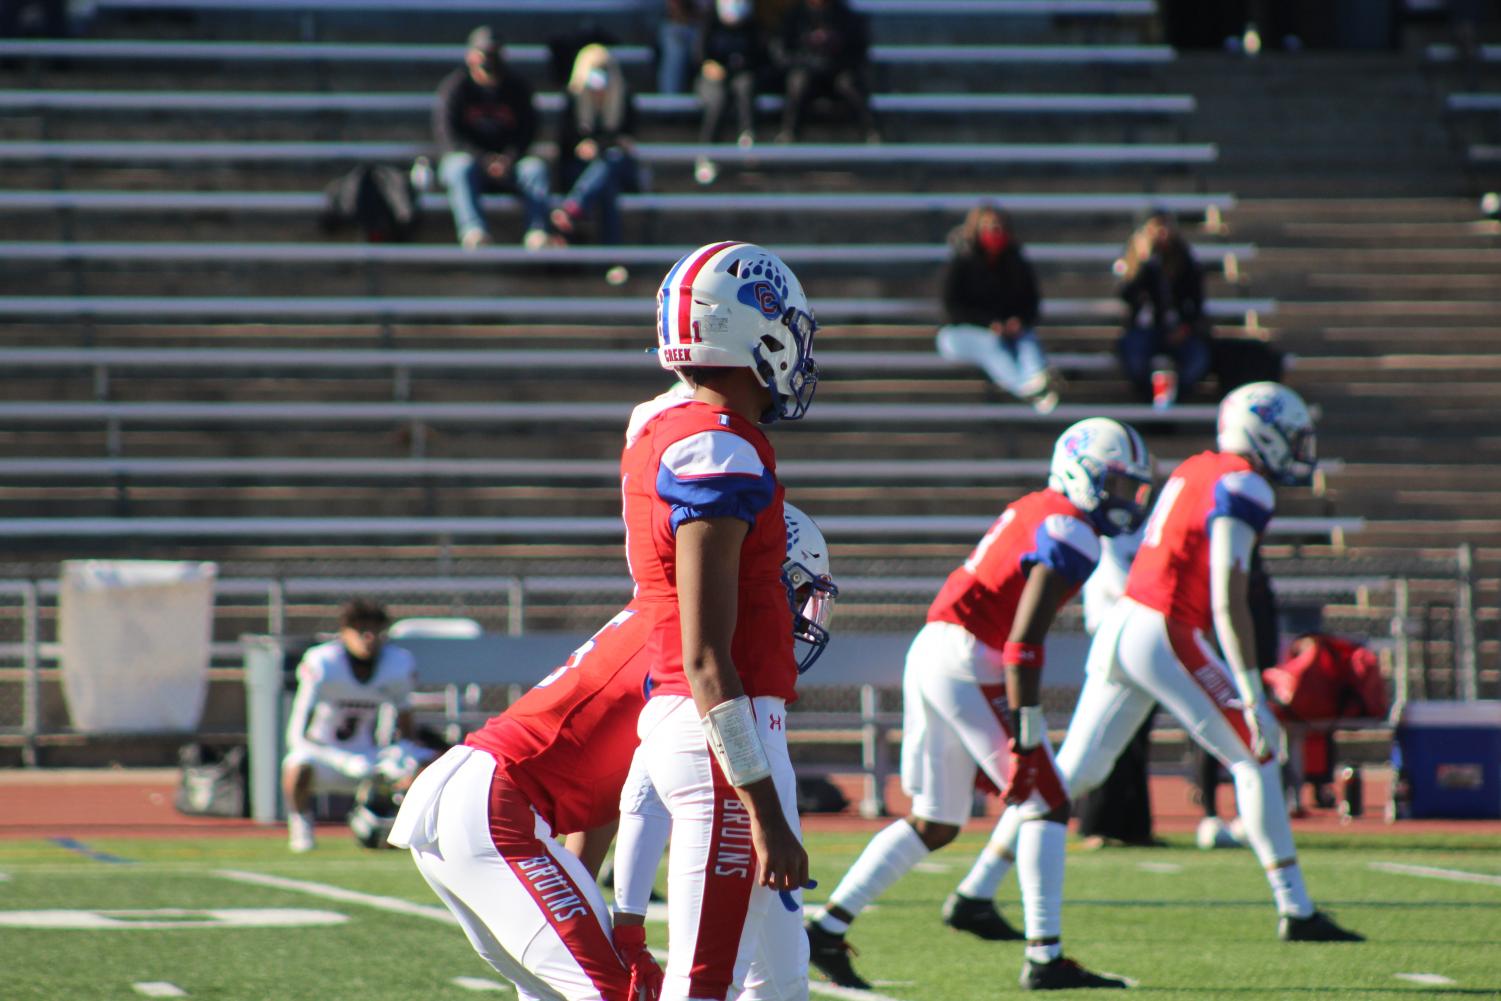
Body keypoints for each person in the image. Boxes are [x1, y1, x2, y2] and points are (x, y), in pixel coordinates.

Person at [387, 498, 835, 1001]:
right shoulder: (692, 643)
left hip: (484, 804)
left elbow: (610, 791)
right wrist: (628, 925)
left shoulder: (669, 619)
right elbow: (642, 792)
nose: (797, 613)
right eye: (794, 592)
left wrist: (622, 927)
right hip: (496, 810)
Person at [982, 382, 1364, 944]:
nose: (1298, 449)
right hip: (1164, 627)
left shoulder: (1197, 467)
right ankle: (1297, 909)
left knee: (1072, 774)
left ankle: (976, 887)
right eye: (1291, 436)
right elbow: (1227, 597)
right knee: (1258, 754)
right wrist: (1253, 692)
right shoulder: (1244, 484)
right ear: (1264, 431)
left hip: (1126, 622)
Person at [805, 418, 1155, 992]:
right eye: (1115, 484)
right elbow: (1022, 646)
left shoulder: (1039, 507)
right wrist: (1027, 732)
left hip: (940, 648)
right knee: (1047, 800)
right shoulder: (1072, 530)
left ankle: (827, 926)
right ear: (1082, 474)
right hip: (972, 657)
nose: (1123, 499)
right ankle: (1046, 958)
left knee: (937, 822)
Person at [622, 241, 819, 1001]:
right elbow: (707, 657)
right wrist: (764, 808)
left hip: (717, 728)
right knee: (704, 983)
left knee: (780, 982)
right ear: (751, 333)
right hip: (724, 741)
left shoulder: (665, 423)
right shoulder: (717, 450)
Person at [282, 598, 427, 853]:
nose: (368, 638)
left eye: (375, 631)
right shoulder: (323, 662)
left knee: (430, 765)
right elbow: (296, 735)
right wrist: (342, 761)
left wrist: (401, 752)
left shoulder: (397, 663)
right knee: (295, 767)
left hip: (370, 755)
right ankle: (301, 827)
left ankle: (404, 829)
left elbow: (406, 723)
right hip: (325, 755)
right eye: (361, 631)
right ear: (344, 633)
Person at [434, 26, 555, 250]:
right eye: (484, 54)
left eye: (493, 54)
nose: (489, 61)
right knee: (459, 167)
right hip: (472, 163)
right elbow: (449, 137)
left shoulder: (517, 87)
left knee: (534, 168)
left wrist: (508, 159)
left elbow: (527, 131)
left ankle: (538, 232)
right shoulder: (455, 88)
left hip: (509, 163)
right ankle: (474, 231)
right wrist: (484, 160)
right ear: (471, 56)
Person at [935, 204, 1060, 413]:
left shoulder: (1016, 261)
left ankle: (1037, 378)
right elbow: (952, 308)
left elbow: (1031, 304)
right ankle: (1025, 387)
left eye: (1000, 226)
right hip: (961, 334)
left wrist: (1017, 322)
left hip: (1007, 333)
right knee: (991, 343)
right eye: (991, 227)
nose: (996, 232)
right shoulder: (962, 261)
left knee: (1027, 340)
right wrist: (988, 324)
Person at [550, 44, 643, 251]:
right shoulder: (572, 98)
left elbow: (626, 141)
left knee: (612, 160)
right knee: (607, 187)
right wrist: (582, 147)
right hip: (583, 170)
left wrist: (599, 146)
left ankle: (573, 206)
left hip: (619, 167)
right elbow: (565, 144)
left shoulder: (624, 98)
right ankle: (613, 257)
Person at [1115, 211, 1212, 407]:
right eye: (1155, 227)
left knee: (1197, 359)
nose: (1161, 233)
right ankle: (1146, 400)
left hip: (1178, 329)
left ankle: (1177, 401)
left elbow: (1196, 300)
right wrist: (1144, 262)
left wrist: (1185, 328)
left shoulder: (1184, 258)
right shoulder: (1134, 258)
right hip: (1144, 329)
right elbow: (1126, 294)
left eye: (1165, 226)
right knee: (1135, 359)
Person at [774, 0, 880, 144]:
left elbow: (859, 51)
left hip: (837, 71)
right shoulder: (794, 15)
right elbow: (783, 54)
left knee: (850, 84)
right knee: (797, 82)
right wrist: (808, 56)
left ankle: (870, 132)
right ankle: (789, 132)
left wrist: (835, 49)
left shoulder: (846, 15)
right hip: (806, 70)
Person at [692, 0, 769, 186]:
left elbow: (761, 56)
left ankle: (747, 136)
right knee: (717, 100)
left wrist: (744, 65)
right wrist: (708, 65)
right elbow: (698, 54)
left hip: (741, 76)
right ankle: (707, 155)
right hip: (712, 78)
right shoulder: (709, 22)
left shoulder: (752, 25)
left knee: (746, 86)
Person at [658, 0, 705, 94]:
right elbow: (675, 8)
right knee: (676, 49)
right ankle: (671, 103)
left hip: (713, 27)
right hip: (681, 25)